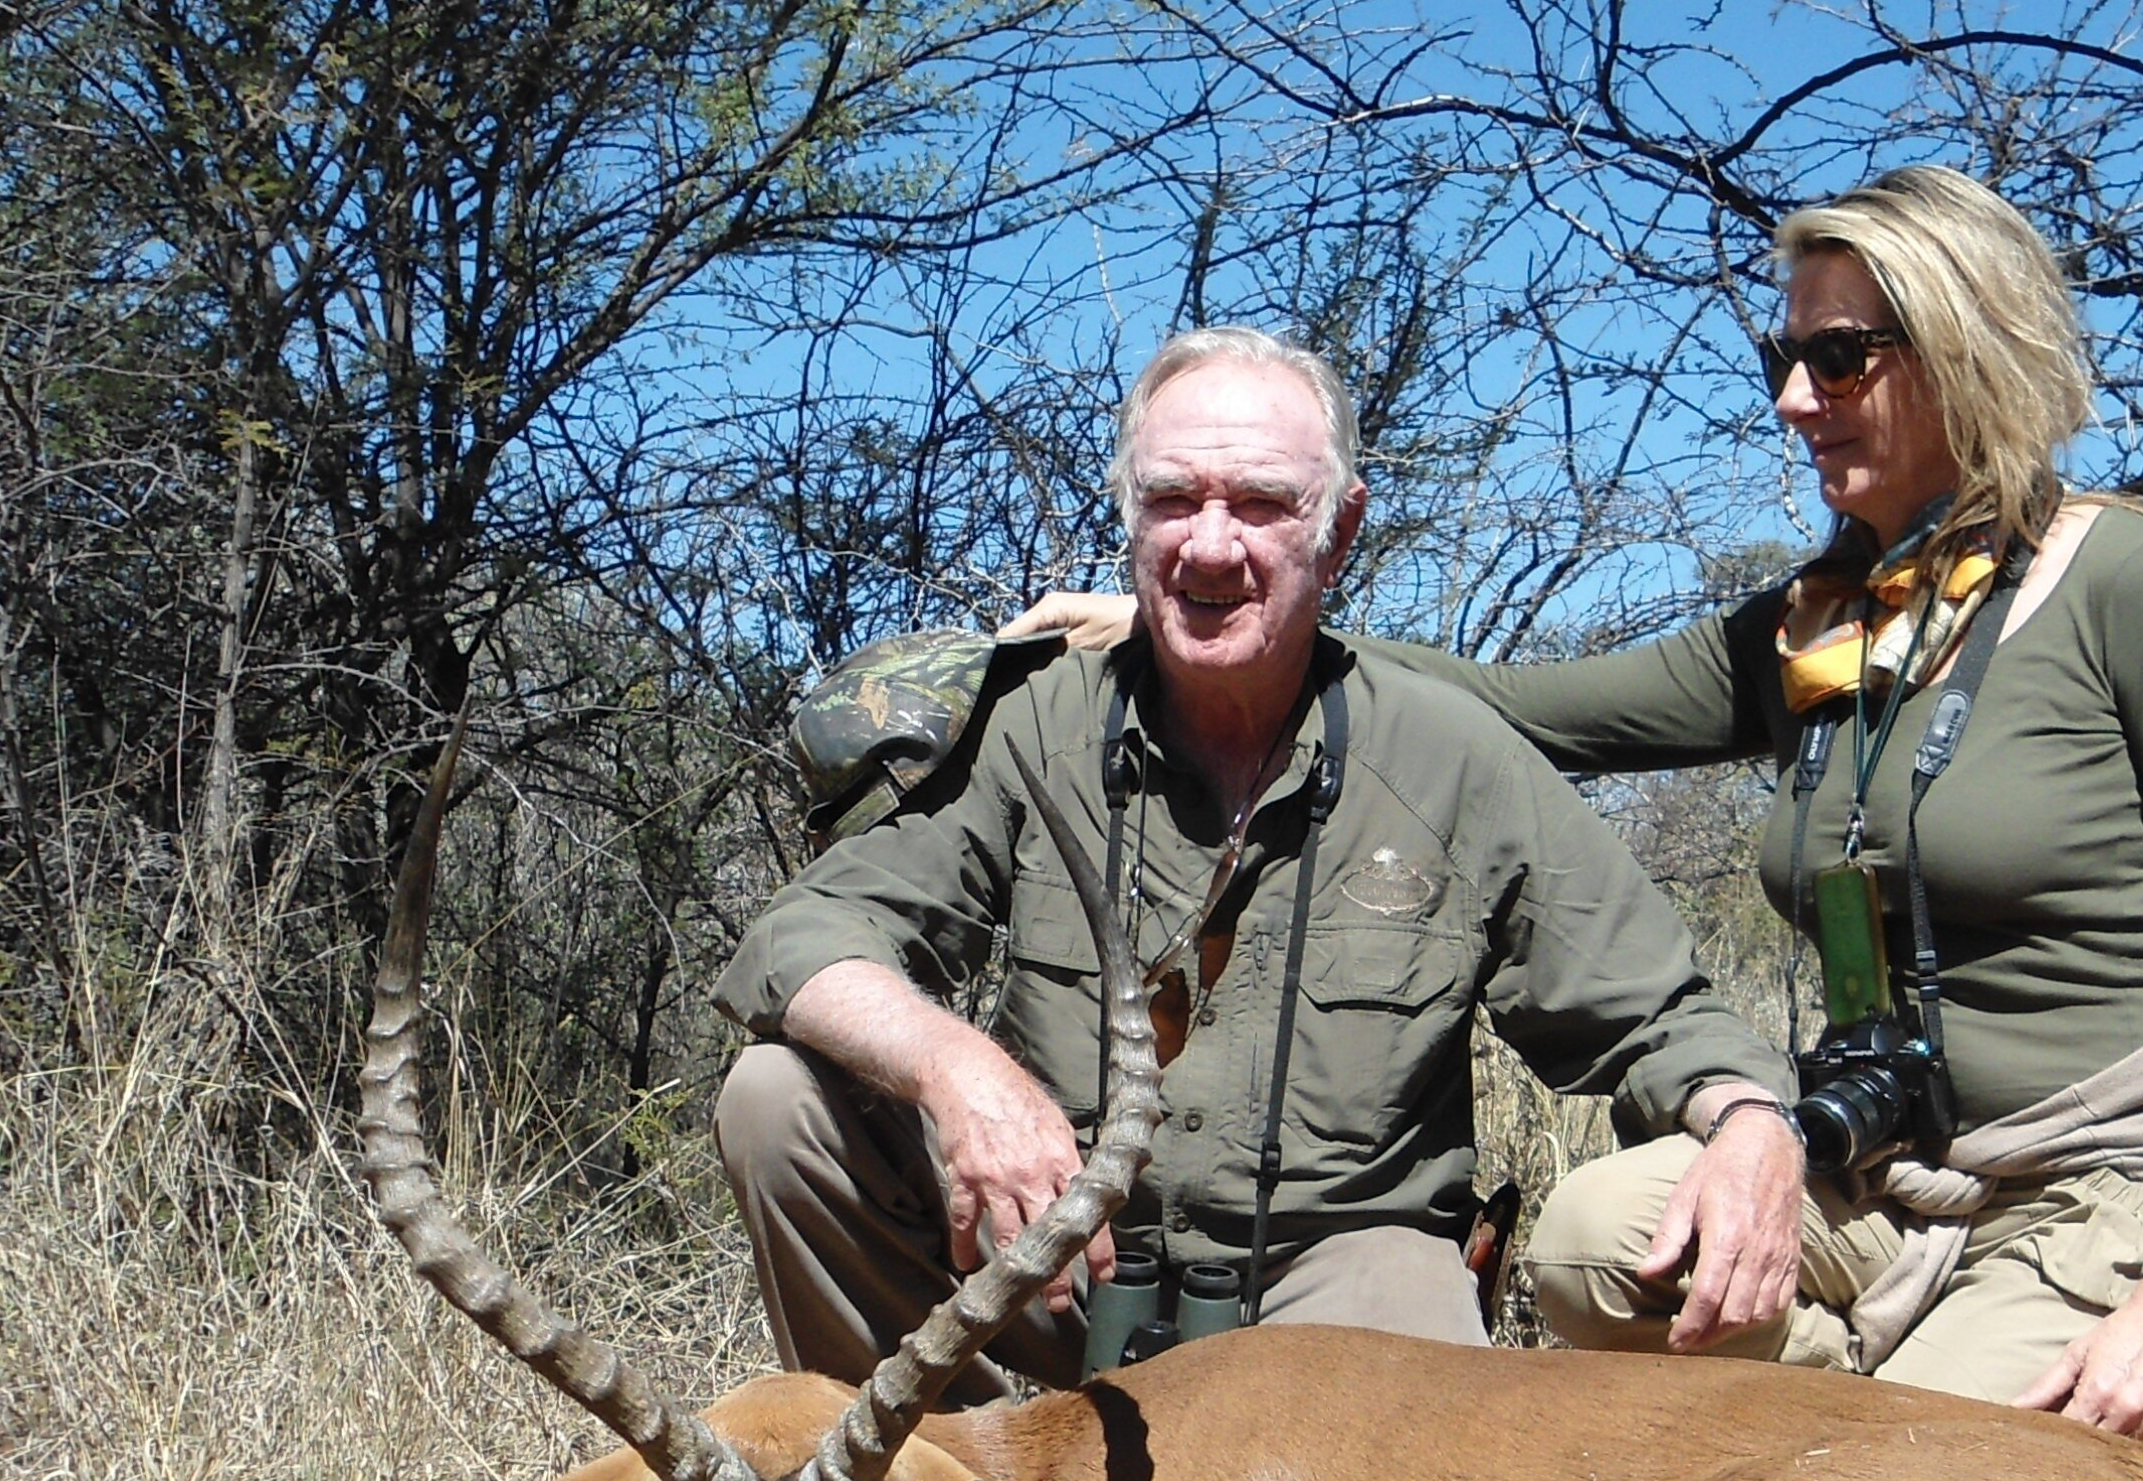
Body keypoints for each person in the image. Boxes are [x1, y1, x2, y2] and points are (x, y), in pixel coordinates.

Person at [1028, 168, 2143, 1481]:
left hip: (2107, 1176)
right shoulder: (1825, 621)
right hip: (1894, 1177)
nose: (1797, 398)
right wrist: (1195, 627)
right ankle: (1913, 1399)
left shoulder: (2130, 584)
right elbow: (1531, 710)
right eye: (1784, 358)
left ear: (1967, 345)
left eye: (1842, 357)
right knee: (1597, 1244)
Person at [711, 327, 1801, 1399]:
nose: (1209, 545)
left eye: (1263, 504)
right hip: (1068, 1261)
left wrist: (1750, 1125)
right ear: (1128, 515)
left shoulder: (1454, 754)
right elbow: (804, 940)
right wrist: (961, 1075)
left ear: (1339, 531)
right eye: (1172, 498)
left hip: (1337, 1284)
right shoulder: (1030, 727)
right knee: (777, 1098)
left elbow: (1659, 1016)